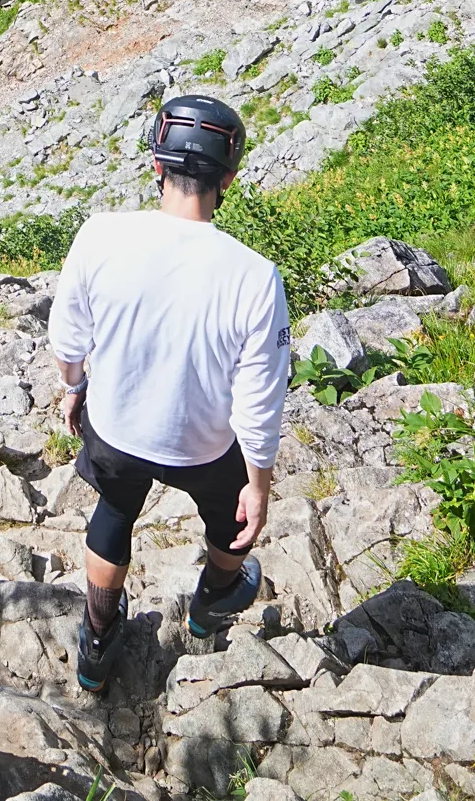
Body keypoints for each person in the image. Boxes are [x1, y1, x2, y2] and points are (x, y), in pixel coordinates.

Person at [46, 93, 292, 694]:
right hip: (203, 444)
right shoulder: (254, 276)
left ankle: (98, 641)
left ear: (157, 165)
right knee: (231, 524)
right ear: (228, 176)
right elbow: (259, 398)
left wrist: (74, 389)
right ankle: (211, 605)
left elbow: (67, 337)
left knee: (114, 510)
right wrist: (256, 487)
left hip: (117, 426)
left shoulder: (100, 235)